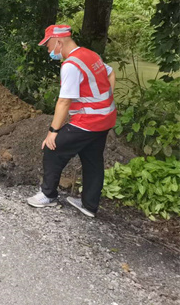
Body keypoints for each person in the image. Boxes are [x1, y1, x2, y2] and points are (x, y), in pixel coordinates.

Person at [27, 24, 117, 218]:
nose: (49, 51)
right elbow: (110, 73)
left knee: (52, 148)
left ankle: (48, 195)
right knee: (93, 160)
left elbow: (64, 101)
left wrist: (53, 131)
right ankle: (89, 205)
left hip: (88, 120)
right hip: (106, 118)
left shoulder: (71, 65)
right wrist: (105, 99)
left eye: (49, 46)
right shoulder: (90, 55)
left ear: (59, 41)